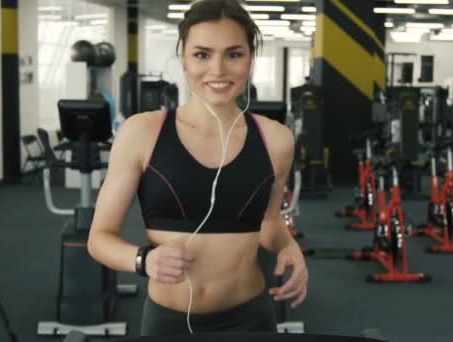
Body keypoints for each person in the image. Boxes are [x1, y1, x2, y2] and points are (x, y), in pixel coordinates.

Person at [87, 0, 308, 336]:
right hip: (169, 322)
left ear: (251, 59)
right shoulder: (142, 132)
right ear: (183, 58)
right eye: (202, 54)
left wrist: (288, 245)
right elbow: (99, 239)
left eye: (234, 54)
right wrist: (143, 260)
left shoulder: (276, 140)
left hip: (251, 318)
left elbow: (268, 221)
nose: (217, 70)